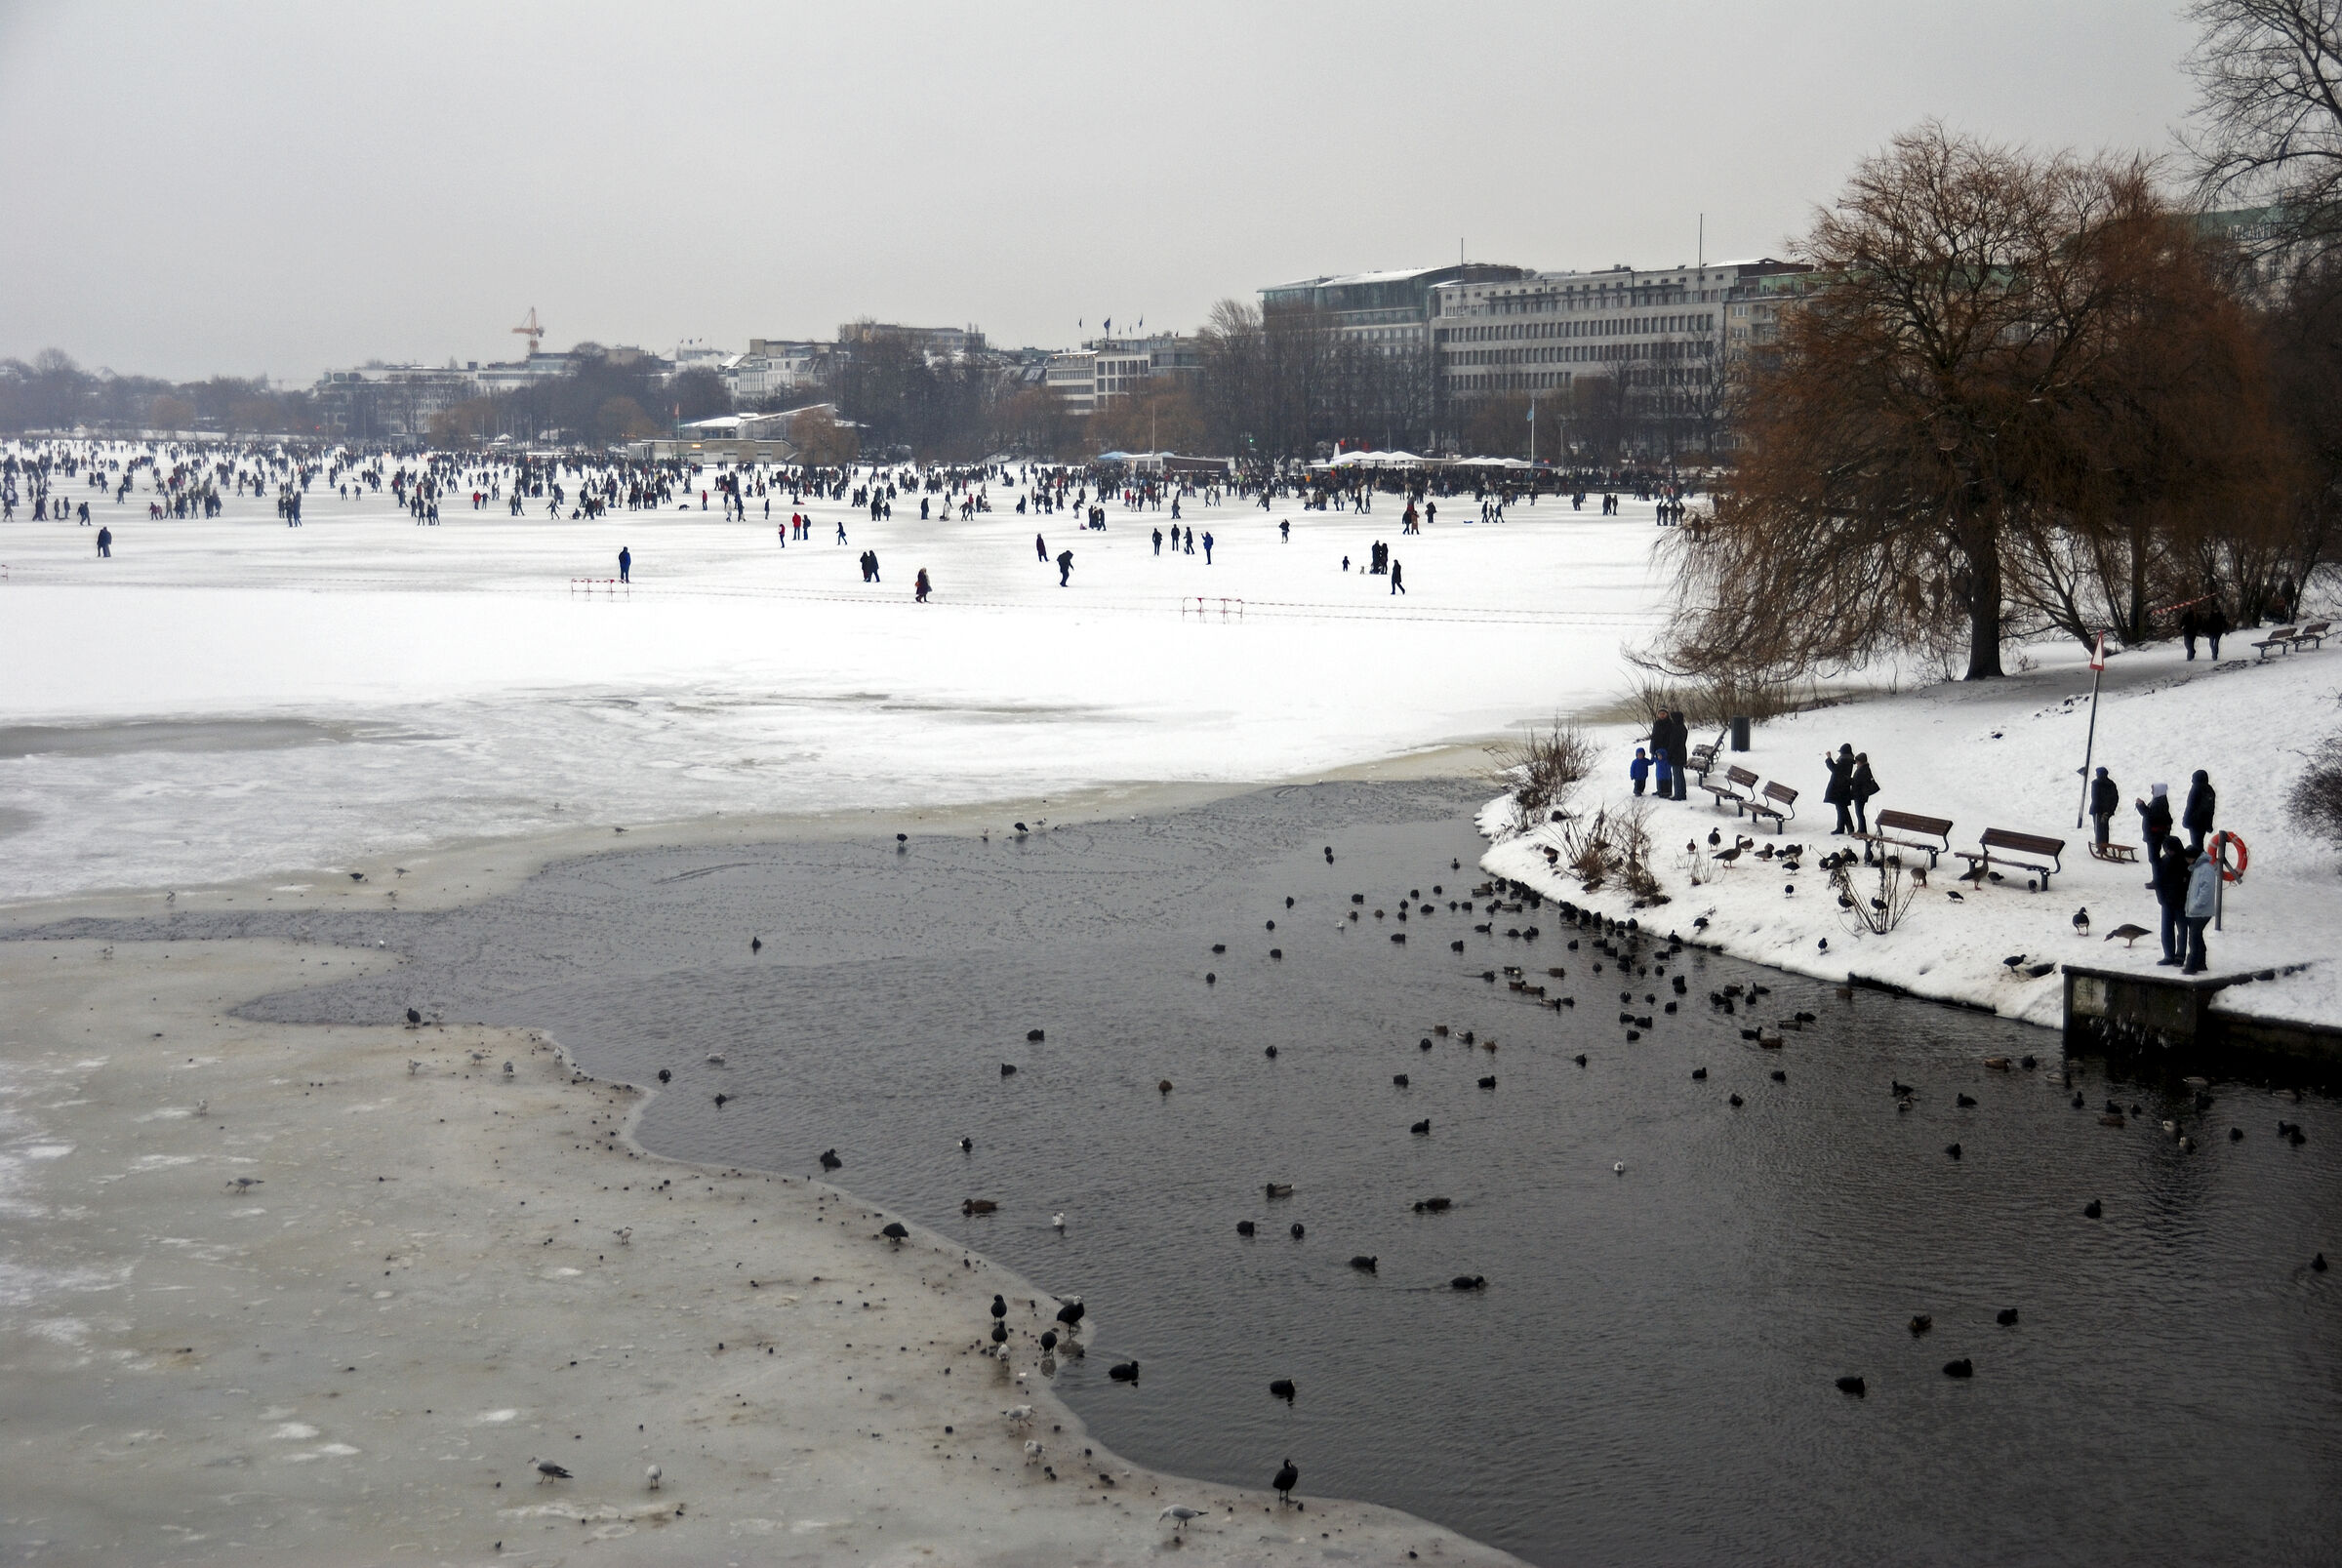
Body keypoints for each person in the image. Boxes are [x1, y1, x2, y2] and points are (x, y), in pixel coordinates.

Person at [2154, 831, 2192, 966]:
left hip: (2181, 902)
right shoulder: (2164, 861)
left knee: (2182, 929)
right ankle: (2168, 955)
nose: (2168, 851)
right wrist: (2160, 896)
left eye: (2170, 849)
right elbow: (2159, 881)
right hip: (2167, 902)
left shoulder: (2185, 862)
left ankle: (2180, 956)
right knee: (2166, 929)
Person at [2182, 843, 2219, 974]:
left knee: (2194, 938)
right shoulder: (2199, 868)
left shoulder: (2205, 869)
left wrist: (2195, 905)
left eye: (2188, 858)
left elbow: (2206, 890)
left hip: (2200, 911)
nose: (2186, 860)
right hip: (2198, 911)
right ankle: (2201, 963)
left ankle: (2191, 966)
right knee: (2197, 937)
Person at [2136, 784, 2173, 879]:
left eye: (2153, 789)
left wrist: (2141, 805)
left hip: (2155, 835)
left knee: (2154, 858)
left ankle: (2157, 879)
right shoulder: (2159, 801)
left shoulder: (2159, 802)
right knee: (2154, 858)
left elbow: (2150, 816)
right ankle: (2158, 878)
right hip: (2155, 834)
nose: (2151, 792)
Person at [1824, 744, 1857, 835]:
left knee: (1842, 808)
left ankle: (1849, 828)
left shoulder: (1845, 760)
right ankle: (1841, 827)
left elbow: (1835, 770)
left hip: (1839, 788)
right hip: (1843, 788)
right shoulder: (1848, 760)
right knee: (1841, 807)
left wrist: (1829, 759)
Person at [2182, 769, 2216, 854]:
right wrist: (2209, 824)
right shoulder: (2210, 790)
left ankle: (2203, 863)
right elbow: (2211, 810)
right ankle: (2203, 862)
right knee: (2199, 843)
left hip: (2194, 822)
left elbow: (2190, 806)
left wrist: (2185, 821)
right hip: (2204, 823)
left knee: (2196, 846)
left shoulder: (2195, 789)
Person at [2088, 765, 2119, 847]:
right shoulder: (2111, 784)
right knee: (2105, 828)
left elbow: (2095, 798)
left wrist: (2097, 810)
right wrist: (2110, 810)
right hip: (2107, 811)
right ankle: (2104, 845)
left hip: (2098, 810)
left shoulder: (2096, 783)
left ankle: (2100, 846)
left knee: (2098, 829)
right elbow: (2115, 798)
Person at [1850, 751, 1878, 835]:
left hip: (1860, 795)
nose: (1856, 763)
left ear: (1861, 761)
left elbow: (1858, 781)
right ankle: (1861, 830)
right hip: (1861, 795)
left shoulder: (1863, 770)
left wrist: (1849, 780)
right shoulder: (1865, 768)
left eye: (1857, 761)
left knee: (1859, 813)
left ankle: (1862, 830)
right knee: (1859, 812)